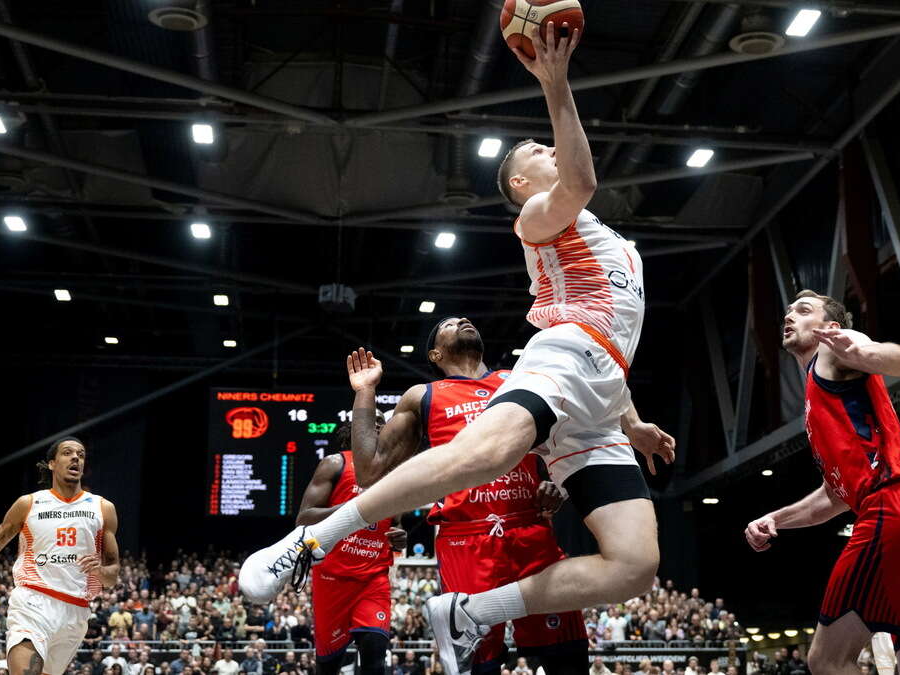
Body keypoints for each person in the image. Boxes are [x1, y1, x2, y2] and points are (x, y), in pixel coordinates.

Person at [239, 23, 675, 675]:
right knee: (486, 453)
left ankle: (469, 612)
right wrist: (555, 87)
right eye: (537, 152)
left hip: (603, 390)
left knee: (635, 564)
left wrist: (632, 420)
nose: (549, 154)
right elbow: (579, 179)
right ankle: (313, 538)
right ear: (523, 185)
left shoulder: (613, 241)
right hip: (562, 358)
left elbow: (617, 337)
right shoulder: (539, 218)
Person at [345, 318, 586, 675]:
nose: (463, 321)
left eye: (464, 320)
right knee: (479, 665)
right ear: (435, 353)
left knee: (568, 655)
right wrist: (365, 390)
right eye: (449, 323)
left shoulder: (517, 379)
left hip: (530, 531)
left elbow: (566, 440)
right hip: (465, 540)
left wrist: (557, 483)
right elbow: (369, 470)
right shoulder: (424, 395)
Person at [743, 290, 900, 674]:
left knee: (827, 660)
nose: (789, 317)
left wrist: (864, 354)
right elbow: (833, 497)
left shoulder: (833, 352)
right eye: (788, 312)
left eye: (803, 311)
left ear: (830, 327)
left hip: (894, 508)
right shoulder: (819, 392)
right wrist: (776, 518)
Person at [0, 438, 120, 675]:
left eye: (81, 455)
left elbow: (113, 575)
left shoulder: (103, 508)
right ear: (52, 463)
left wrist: (100, 571)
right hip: (33, 601)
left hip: (75, 611)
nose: (76, 458)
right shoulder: (29, 504)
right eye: (68, 453)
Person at [295, 418, 406, 675]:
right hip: (331, 580)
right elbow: (304, 517)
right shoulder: (335, 463)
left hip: (373, 579)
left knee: (375, 660)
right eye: (372, 423)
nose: (378, 428)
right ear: (354, 431)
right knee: (327, 667)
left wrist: (400, 536)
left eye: (382, 424)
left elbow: (396, 524)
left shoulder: (395, 474)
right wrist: (355, 509)